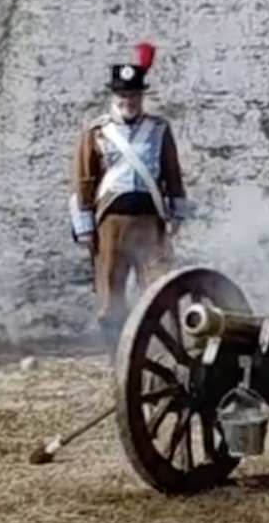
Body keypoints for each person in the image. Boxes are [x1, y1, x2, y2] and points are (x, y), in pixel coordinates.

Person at [69, 43, 190, 348]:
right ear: (114, 97)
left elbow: (172, 174)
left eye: (134, 96)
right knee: (111, 294)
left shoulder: (159, 129)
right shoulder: (96, 132)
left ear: (141, 97)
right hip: (112, 222)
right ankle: (118, 357)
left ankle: (165, 352)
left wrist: (176, 212)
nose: (129, 101)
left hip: (150, 220)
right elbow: (84, 180)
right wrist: (84, 226)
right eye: (123, 96)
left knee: (160, 286)